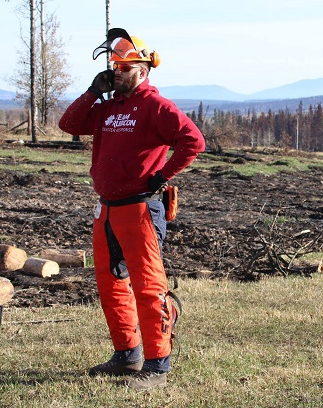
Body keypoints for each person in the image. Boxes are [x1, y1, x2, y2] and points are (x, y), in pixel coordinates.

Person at [58, 29, 205, 391]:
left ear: (143, 68)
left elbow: (193, 142)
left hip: (140, 209)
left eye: (124, 66)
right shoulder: (108, 107)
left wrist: (162, 175)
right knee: (111, 284)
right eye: (114, 66)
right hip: (107, 210)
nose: (117, 71)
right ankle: (127, 355)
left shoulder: (156, 106)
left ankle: (158, 365)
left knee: (148, 287)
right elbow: (69, 124)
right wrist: (94, 91)